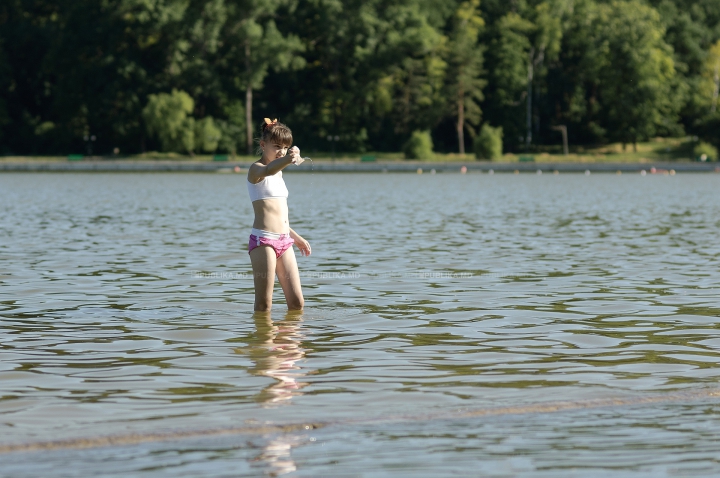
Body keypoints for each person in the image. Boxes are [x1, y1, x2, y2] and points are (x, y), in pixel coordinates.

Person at [247, 118, 311, 311]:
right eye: (276, 146)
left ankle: (287, 341)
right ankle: (263, 341)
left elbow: (279, 215)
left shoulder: (280, 174)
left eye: (285, 147)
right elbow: (268, 169)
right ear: (263, 145)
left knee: (297, 303)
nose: (281, 151)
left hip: (284, 240)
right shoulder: (256, 170)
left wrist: (296, 238)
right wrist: (289, 158)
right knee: (264, 304)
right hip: (264, 241)